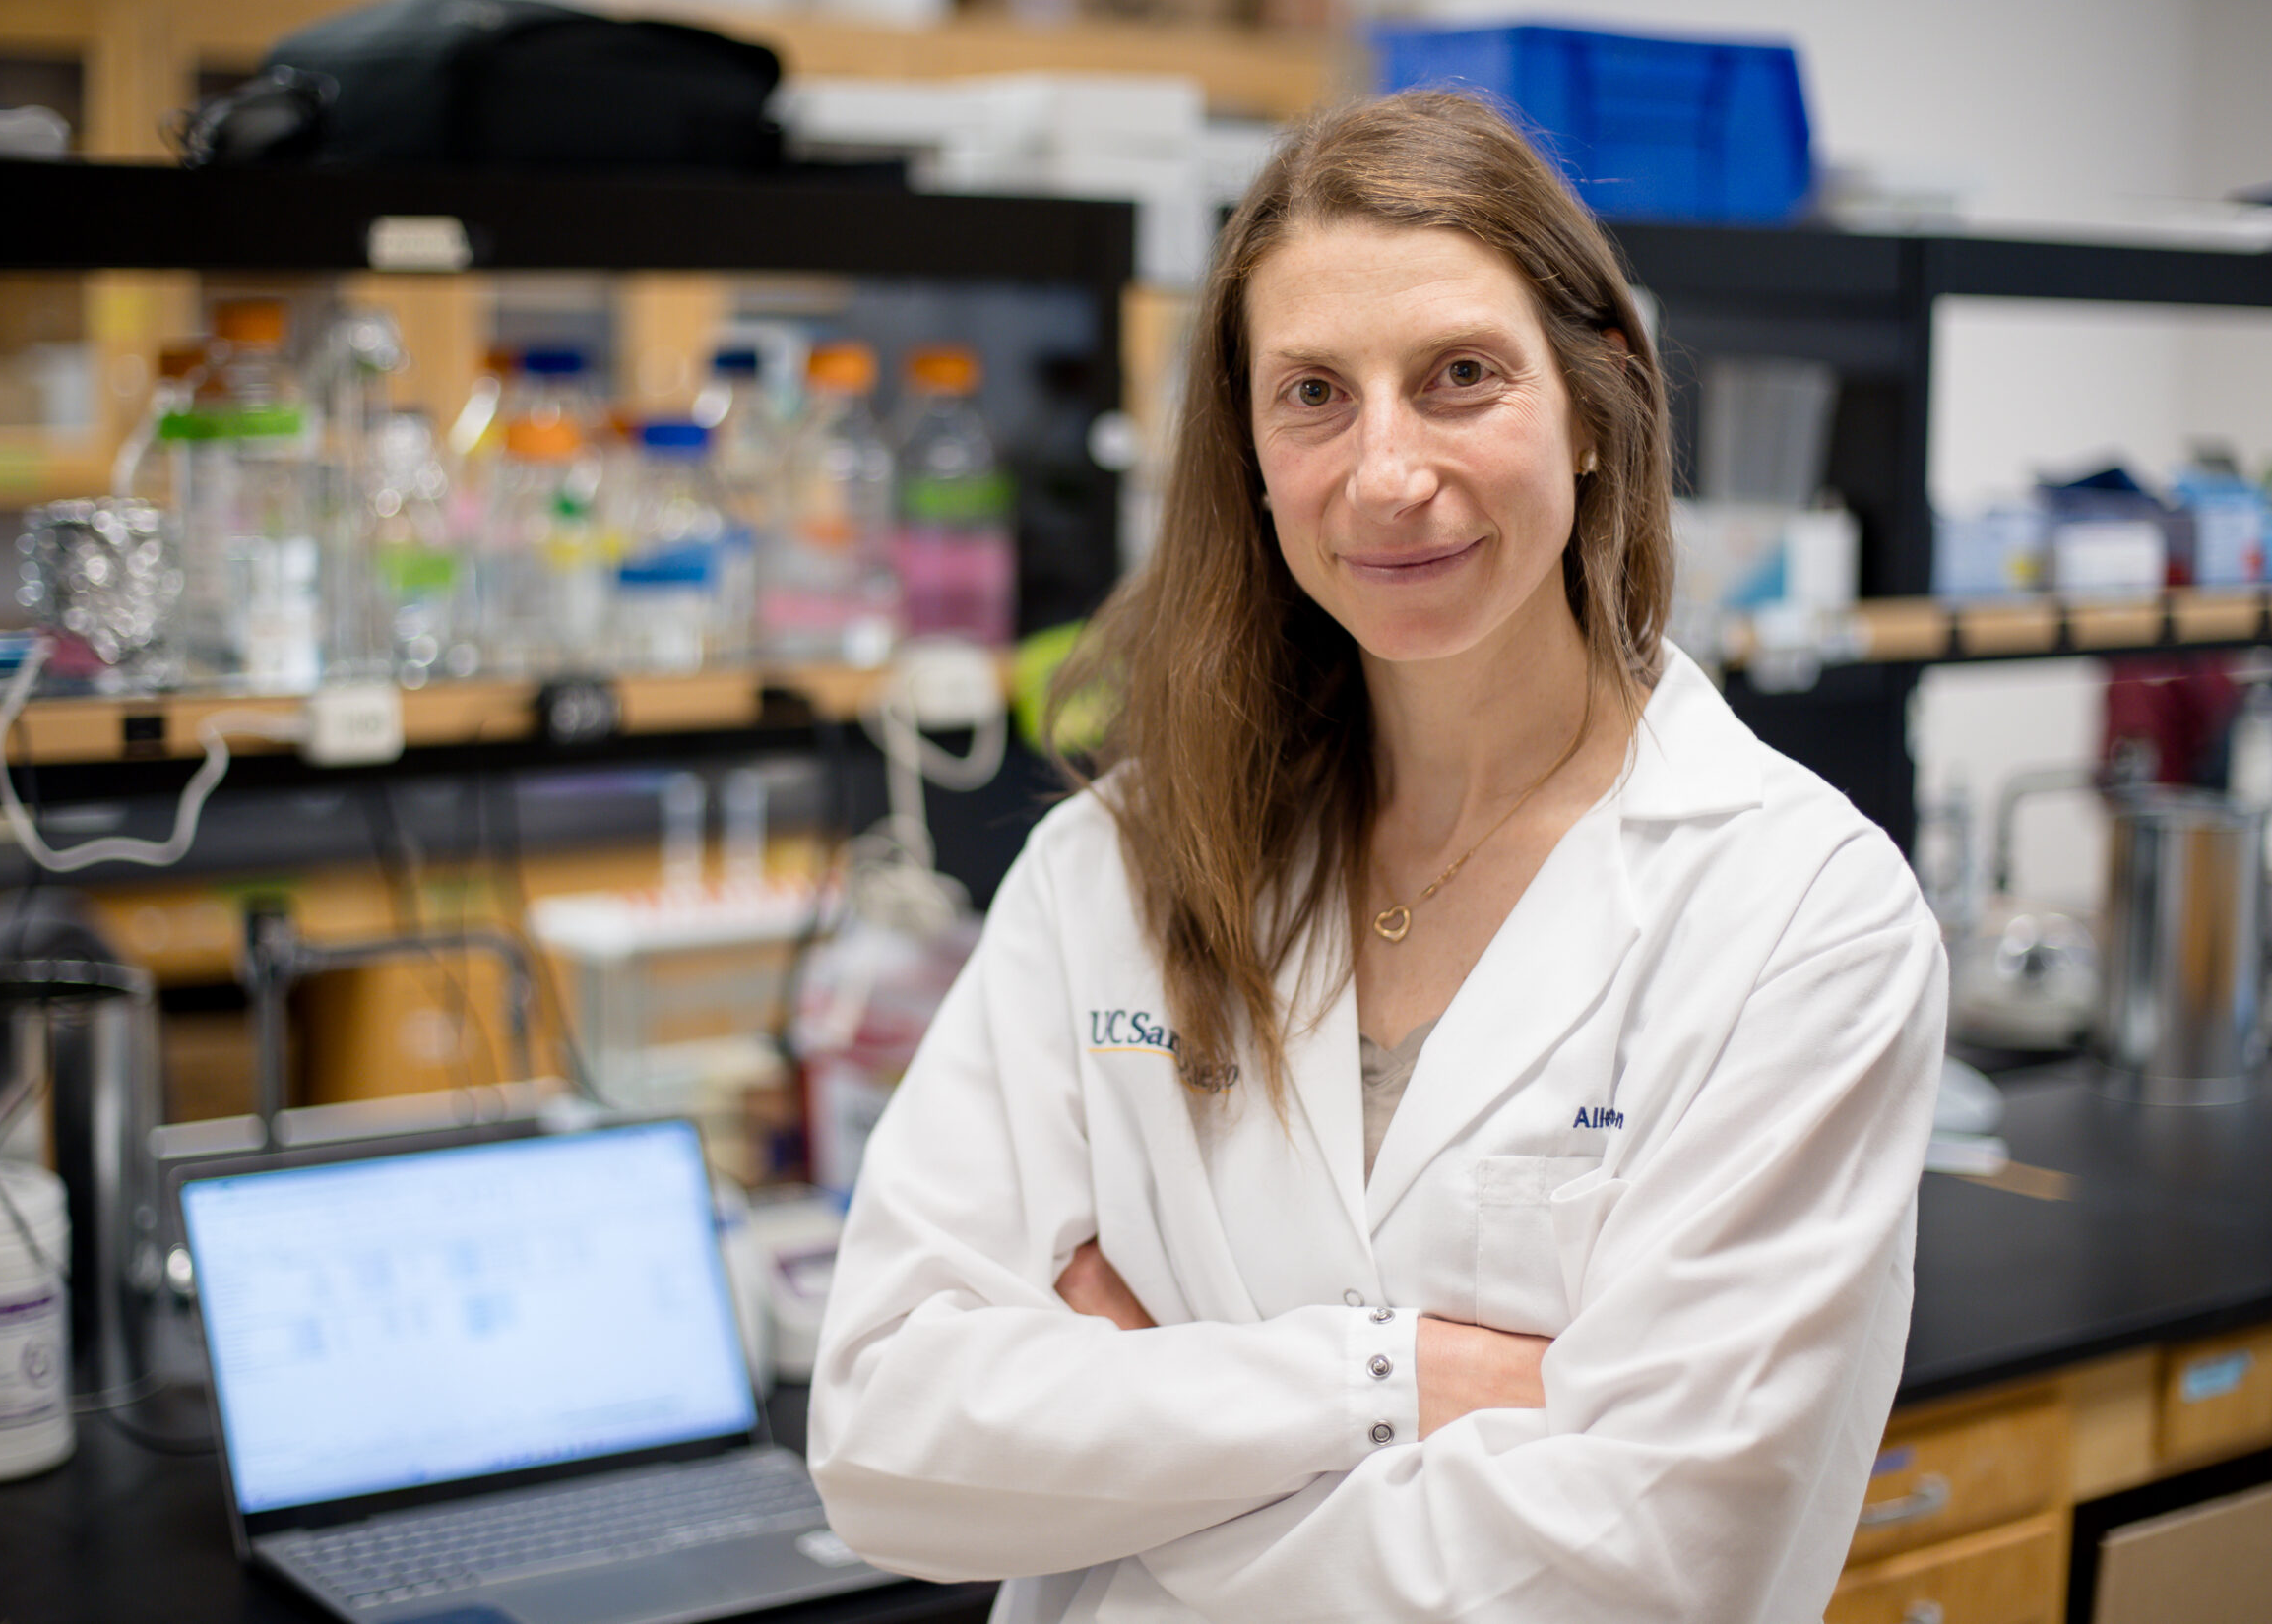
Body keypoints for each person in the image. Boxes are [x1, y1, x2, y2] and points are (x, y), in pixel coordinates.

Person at [807, 91, 1947, 1623]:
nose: (1386, 471)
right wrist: (1391, 1380)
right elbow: (886, 1433)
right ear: (1253, 453)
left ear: (1599, 396)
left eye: (1461, 376)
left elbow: (1657, 1571)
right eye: (1314, 395)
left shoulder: (1797, 914)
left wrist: (1135, 1477)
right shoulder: (1116, 869)